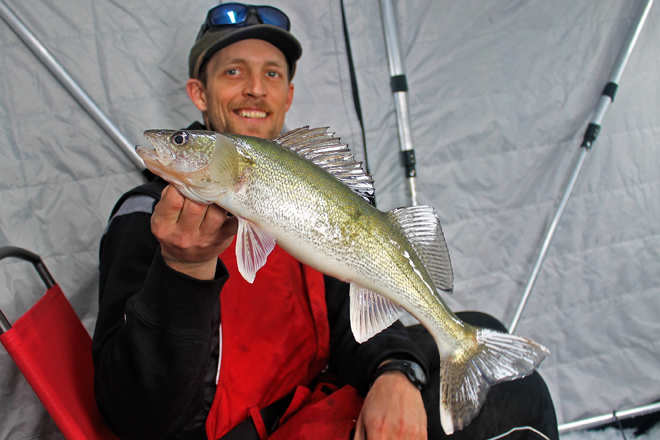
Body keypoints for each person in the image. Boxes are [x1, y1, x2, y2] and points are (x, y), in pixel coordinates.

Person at [92, 3, 559, 440]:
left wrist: (396, 370)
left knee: (477, 326)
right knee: (516, 397)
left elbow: (351, 315)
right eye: (234, 72)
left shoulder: (312, 189)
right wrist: (182, 270)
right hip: (251, 428)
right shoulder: (148, 216)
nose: (255, 88)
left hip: (319, 397)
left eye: (271, 74)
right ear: (199, 93)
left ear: (287, 95)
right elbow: (135, 416)